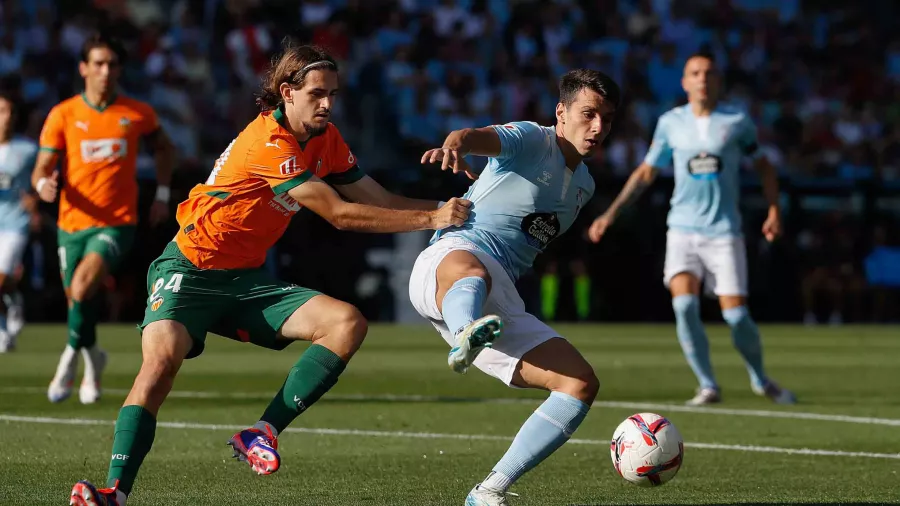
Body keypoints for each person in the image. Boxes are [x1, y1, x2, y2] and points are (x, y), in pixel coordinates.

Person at [68, 43, 471, 506]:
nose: (327, 104)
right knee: (160, 365)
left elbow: (375, 196)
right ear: (287, 92)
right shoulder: (268, 142)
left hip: (243, 280)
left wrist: (445, 209)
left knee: (346, 323)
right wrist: (431, 221)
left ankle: (260, 433)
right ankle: (114, 493)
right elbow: (338, 213)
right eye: (318, 94)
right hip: (189, 268)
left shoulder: (326, 137)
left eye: (333, 94)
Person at [409, 69, 619, 506]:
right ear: (561, 112)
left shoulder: (584, 185)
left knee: (579, 383)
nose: (598, 127)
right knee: (475, 274)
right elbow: (471, 135)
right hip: (451, 258)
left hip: (499, 295)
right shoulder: (532, 138)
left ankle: (488, 491)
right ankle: (466, 331)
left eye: (607, 118)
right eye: (588, 114)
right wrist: (455, 144)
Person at [587, 53, 796, 406]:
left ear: (719, 81)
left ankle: (760, 379)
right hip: (682, 228)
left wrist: (774, 210)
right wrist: (611, 213)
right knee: (684, 307)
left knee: (736, 315)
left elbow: (764, 167)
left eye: (709, 73)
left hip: (724, 229)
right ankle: (707, 385)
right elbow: (646, 172)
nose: (702, 78)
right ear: (684, 82)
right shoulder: (671, 122)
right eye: (695, 73)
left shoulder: (737, 121)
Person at [32, 33, 175, 404]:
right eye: (97, 63)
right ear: (83, 68)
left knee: (81, 287)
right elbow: (42, 168)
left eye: (112, 64)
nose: (105, 71)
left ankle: (68, 359)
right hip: (71, 223)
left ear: (120, 69)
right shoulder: (63, 114)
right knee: (79, 298)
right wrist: (43, 184)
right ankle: (94, 359)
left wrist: (161, 194)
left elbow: (164, 149)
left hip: (116, 222)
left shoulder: (136, 113)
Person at [0, 91, 38, 352]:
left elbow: (42, 177)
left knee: (0, 278)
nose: (6, 117)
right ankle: (12, 304)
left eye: (10, 112)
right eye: (2, 111)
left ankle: (3, 329)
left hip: (15, 223)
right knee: (3, 283)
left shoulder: (28, 150)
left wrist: (35, 199)